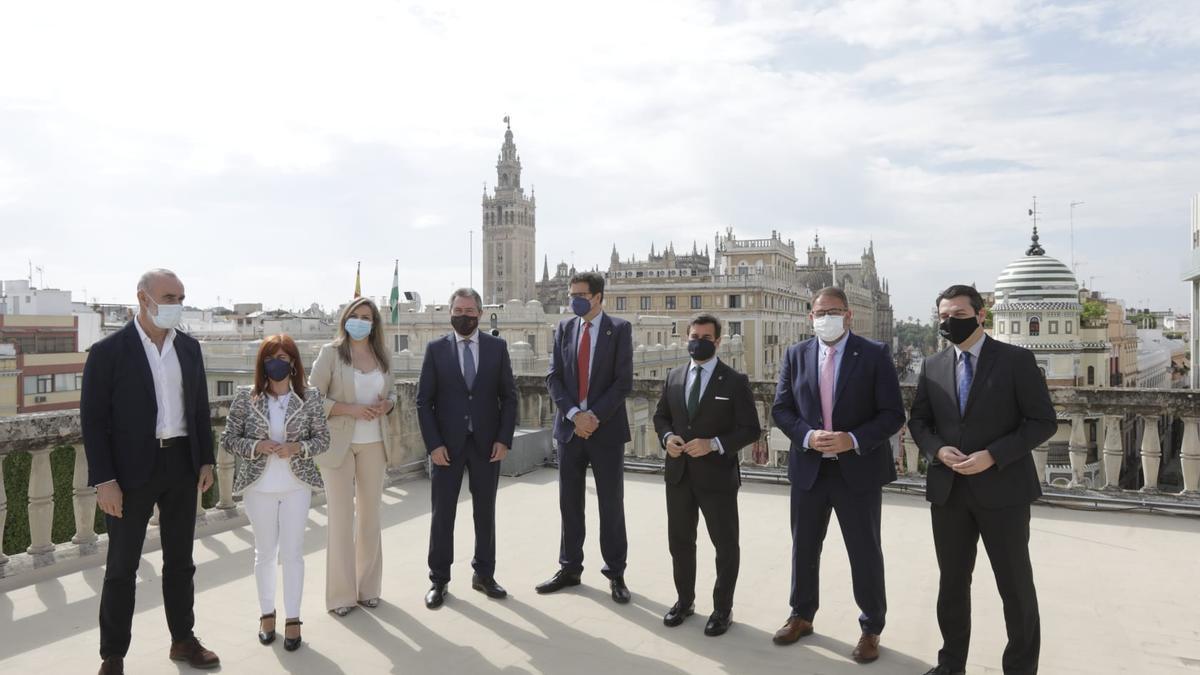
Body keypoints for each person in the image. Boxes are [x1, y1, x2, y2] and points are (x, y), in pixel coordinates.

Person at [908, 284, 1056, 675]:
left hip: (1004, 490)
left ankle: (1020, 669)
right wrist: (937, 450)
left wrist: (994, 455)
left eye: (957, 314)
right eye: (942, 316)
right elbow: (919, 422)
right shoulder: (933, 365)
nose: (948, 322)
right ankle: (951, 663)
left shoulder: (1016, 361)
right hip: (949, 492)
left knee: (1015, 587)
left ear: (980, 315)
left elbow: (1043, 422)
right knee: (952, 585)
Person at [81, 269, 220, 675]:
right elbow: (93, 421)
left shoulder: (190, 349)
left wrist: (205, 460)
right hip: (128, 473)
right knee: (122, 566)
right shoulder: (108, 352)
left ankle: (184, 640)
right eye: (169, 296)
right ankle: (113, 656)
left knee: (181, 560)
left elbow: (198, 409)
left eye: (181, 297)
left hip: (181, 464)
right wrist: (104, 480)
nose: (177, 304)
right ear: (143, 299)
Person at [770, 286, 905, 664]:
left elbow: (893, 413)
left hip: (857, 471)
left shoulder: (874, 354)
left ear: (847, 315)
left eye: (832, 311)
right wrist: (809, 436)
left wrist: (853, 439)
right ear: (810, 317)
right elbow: (781, 409)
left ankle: (871, 628)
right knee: (804, 547)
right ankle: (801, 615)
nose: (824, 318)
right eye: (818, 312)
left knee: (864, 551)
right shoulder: (796, 354)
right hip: (810, 470)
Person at [652, 314, 760, 636]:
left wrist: (714, 444)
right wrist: (666, 438)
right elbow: (661, 417)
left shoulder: (734, 381)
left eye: (705, 336)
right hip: (679, 476)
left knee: (725, 547)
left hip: (717, 479)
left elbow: (750, 429)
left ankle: (722, 610)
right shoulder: (674, 376)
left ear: (717, 341)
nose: (697, 340)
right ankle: (684, 602)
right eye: (693, 335)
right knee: (681, 543)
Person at [221, 334, 330, 652]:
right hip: (259, 487)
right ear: (261, 363)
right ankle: (266, 614)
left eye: (284, 358)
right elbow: (229, 438)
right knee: (265, 553)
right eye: (271, 358)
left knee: (293, 553)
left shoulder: (310, 398)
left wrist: (298, 447)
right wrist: (256, 446)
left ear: (294, 363)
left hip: (296, 486)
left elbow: (323, 440)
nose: (277, 363)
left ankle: (293, 618)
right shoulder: (246, 397)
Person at [416, 288, 518, 609]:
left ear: (480, 313)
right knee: (442, 515)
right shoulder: (435, 350)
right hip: (447, 447)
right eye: (459, 310)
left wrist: (504, 439)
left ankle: (484, 575)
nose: (464, 316)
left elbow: (509, 397)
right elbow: (423, 402)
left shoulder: (497, 348)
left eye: (470, 311)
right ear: (450, 313)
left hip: (487, 446)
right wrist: (433, 444)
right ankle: (439, 580)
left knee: (484, 513)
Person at [536, 271, 634, 603]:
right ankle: (570, 568)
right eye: (571, 294)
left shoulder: (619, 329)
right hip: (570, 430)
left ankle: (616, 572)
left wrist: (594, 416)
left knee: (611, 503)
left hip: (605, 431)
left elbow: (622, 382)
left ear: (598, 297)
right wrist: (574, 415)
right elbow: (553, 377)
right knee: (569, 503)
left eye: (580, 294)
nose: (574, 300)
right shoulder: (564, 328)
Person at [308, 298, 398, 616]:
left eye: (366, 317)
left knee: (371, 518)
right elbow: (311, 396)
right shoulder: (330, 354)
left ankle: (369, 588)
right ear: (345, 318)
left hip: (375, 444)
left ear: (374, 324)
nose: (360, 321)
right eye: (355, 316)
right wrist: (351, 409)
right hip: (339, 445)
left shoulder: (383, 355)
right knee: (341, 520)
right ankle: (341, 596)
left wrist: (387, 404)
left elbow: (393, 391)